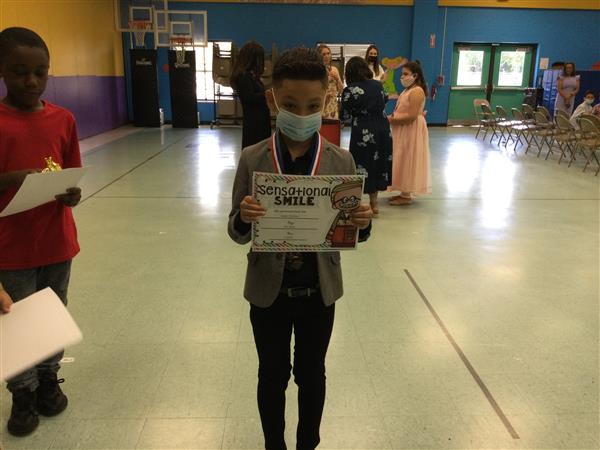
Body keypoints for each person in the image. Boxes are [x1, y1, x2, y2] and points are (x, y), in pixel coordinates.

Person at [227, 47, 372, 450]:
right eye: (290, 105)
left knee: (312, 375)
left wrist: (362, 223)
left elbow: (351, 231)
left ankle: (308, 443)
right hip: (268, 293)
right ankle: (274, 444)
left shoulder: (341, 162)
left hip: (319, 294)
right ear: (273, 99)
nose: (302, 114)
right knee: (271, 375)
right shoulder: (252, 159)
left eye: (312, 106)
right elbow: (235, 232)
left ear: (326, 99)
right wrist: (244, 217)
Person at [0, 27, 82, 437]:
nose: (31, 81)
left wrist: (71, 196)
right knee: (16, 323)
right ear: (2, 71)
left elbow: (71, 174)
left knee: (52, 315)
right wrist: (12, 179)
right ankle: (23, 392)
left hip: (56, 241)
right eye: (20, 72)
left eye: (40, 72)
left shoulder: (63, 119)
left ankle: (49, 379)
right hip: (11, 247)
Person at [341, 56, 392, 216]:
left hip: (363, 130)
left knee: (361, 164)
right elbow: (385, 100)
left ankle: (357, 203)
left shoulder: (350, 90)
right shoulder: (378, 85)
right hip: (383, 128)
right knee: (378, 163)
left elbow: (344, 116)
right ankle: (374, 204)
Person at [387, 60, 431, 205]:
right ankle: (403, 191)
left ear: (415, 76)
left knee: (408, 158)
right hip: (403, 128)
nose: (402, 77)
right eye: (402, 74)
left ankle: (406, 195)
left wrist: (392, 119)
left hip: (411, 128)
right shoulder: (407, 90)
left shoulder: (417, 91)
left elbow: (411, 116)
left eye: (405, 74)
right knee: (402, 157)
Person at [230, 41, 272, 149]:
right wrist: (268, 94)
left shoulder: (252, 76)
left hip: (260, 121)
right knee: (254, 151)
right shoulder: (244, 77)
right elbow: (249, 98)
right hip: (254, 124)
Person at [317, 44, 343, 120]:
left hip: (333, 108)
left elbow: (341, 91)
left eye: (328, 53)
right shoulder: (315, 70)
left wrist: (337, 78)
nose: (327, 56)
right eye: (324, 54)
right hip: (320, 106)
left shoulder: (334, 69)